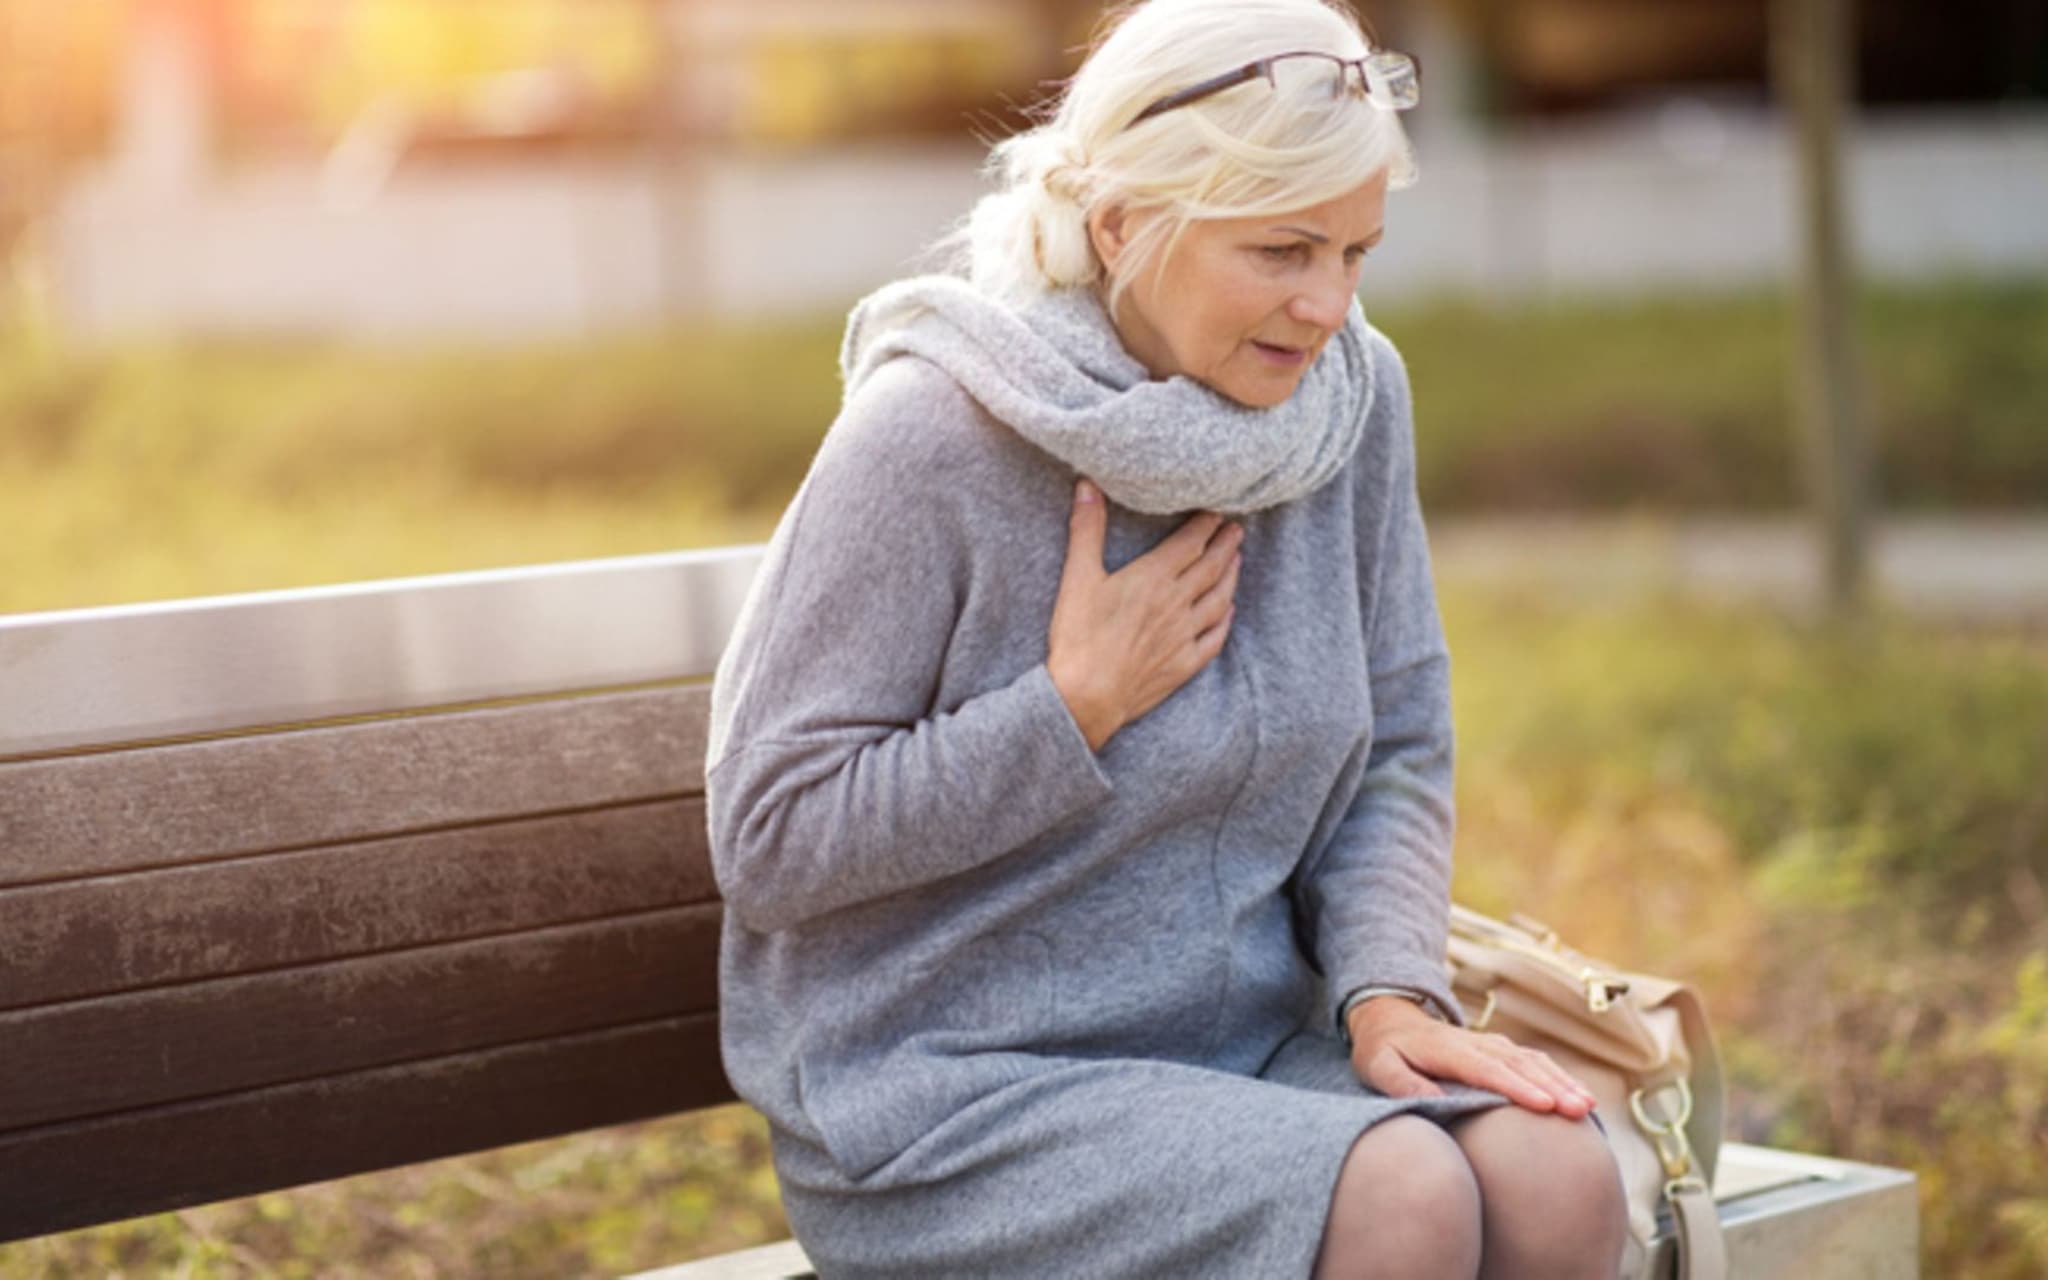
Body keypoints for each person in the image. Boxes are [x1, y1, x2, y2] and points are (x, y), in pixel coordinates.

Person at [704, 0, 1629, 1274]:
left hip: (1241, 1046)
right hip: (955, 1092)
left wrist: (1385, 987)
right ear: (1124, 225)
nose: (1324, 306)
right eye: (1280, 250)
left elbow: (1397, 742)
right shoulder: (932, 433)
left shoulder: (1350, 403)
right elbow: (769, 834)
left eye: (1355, 251)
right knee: (1403, 1195)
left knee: (1555, 1170)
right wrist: (1066, 707)